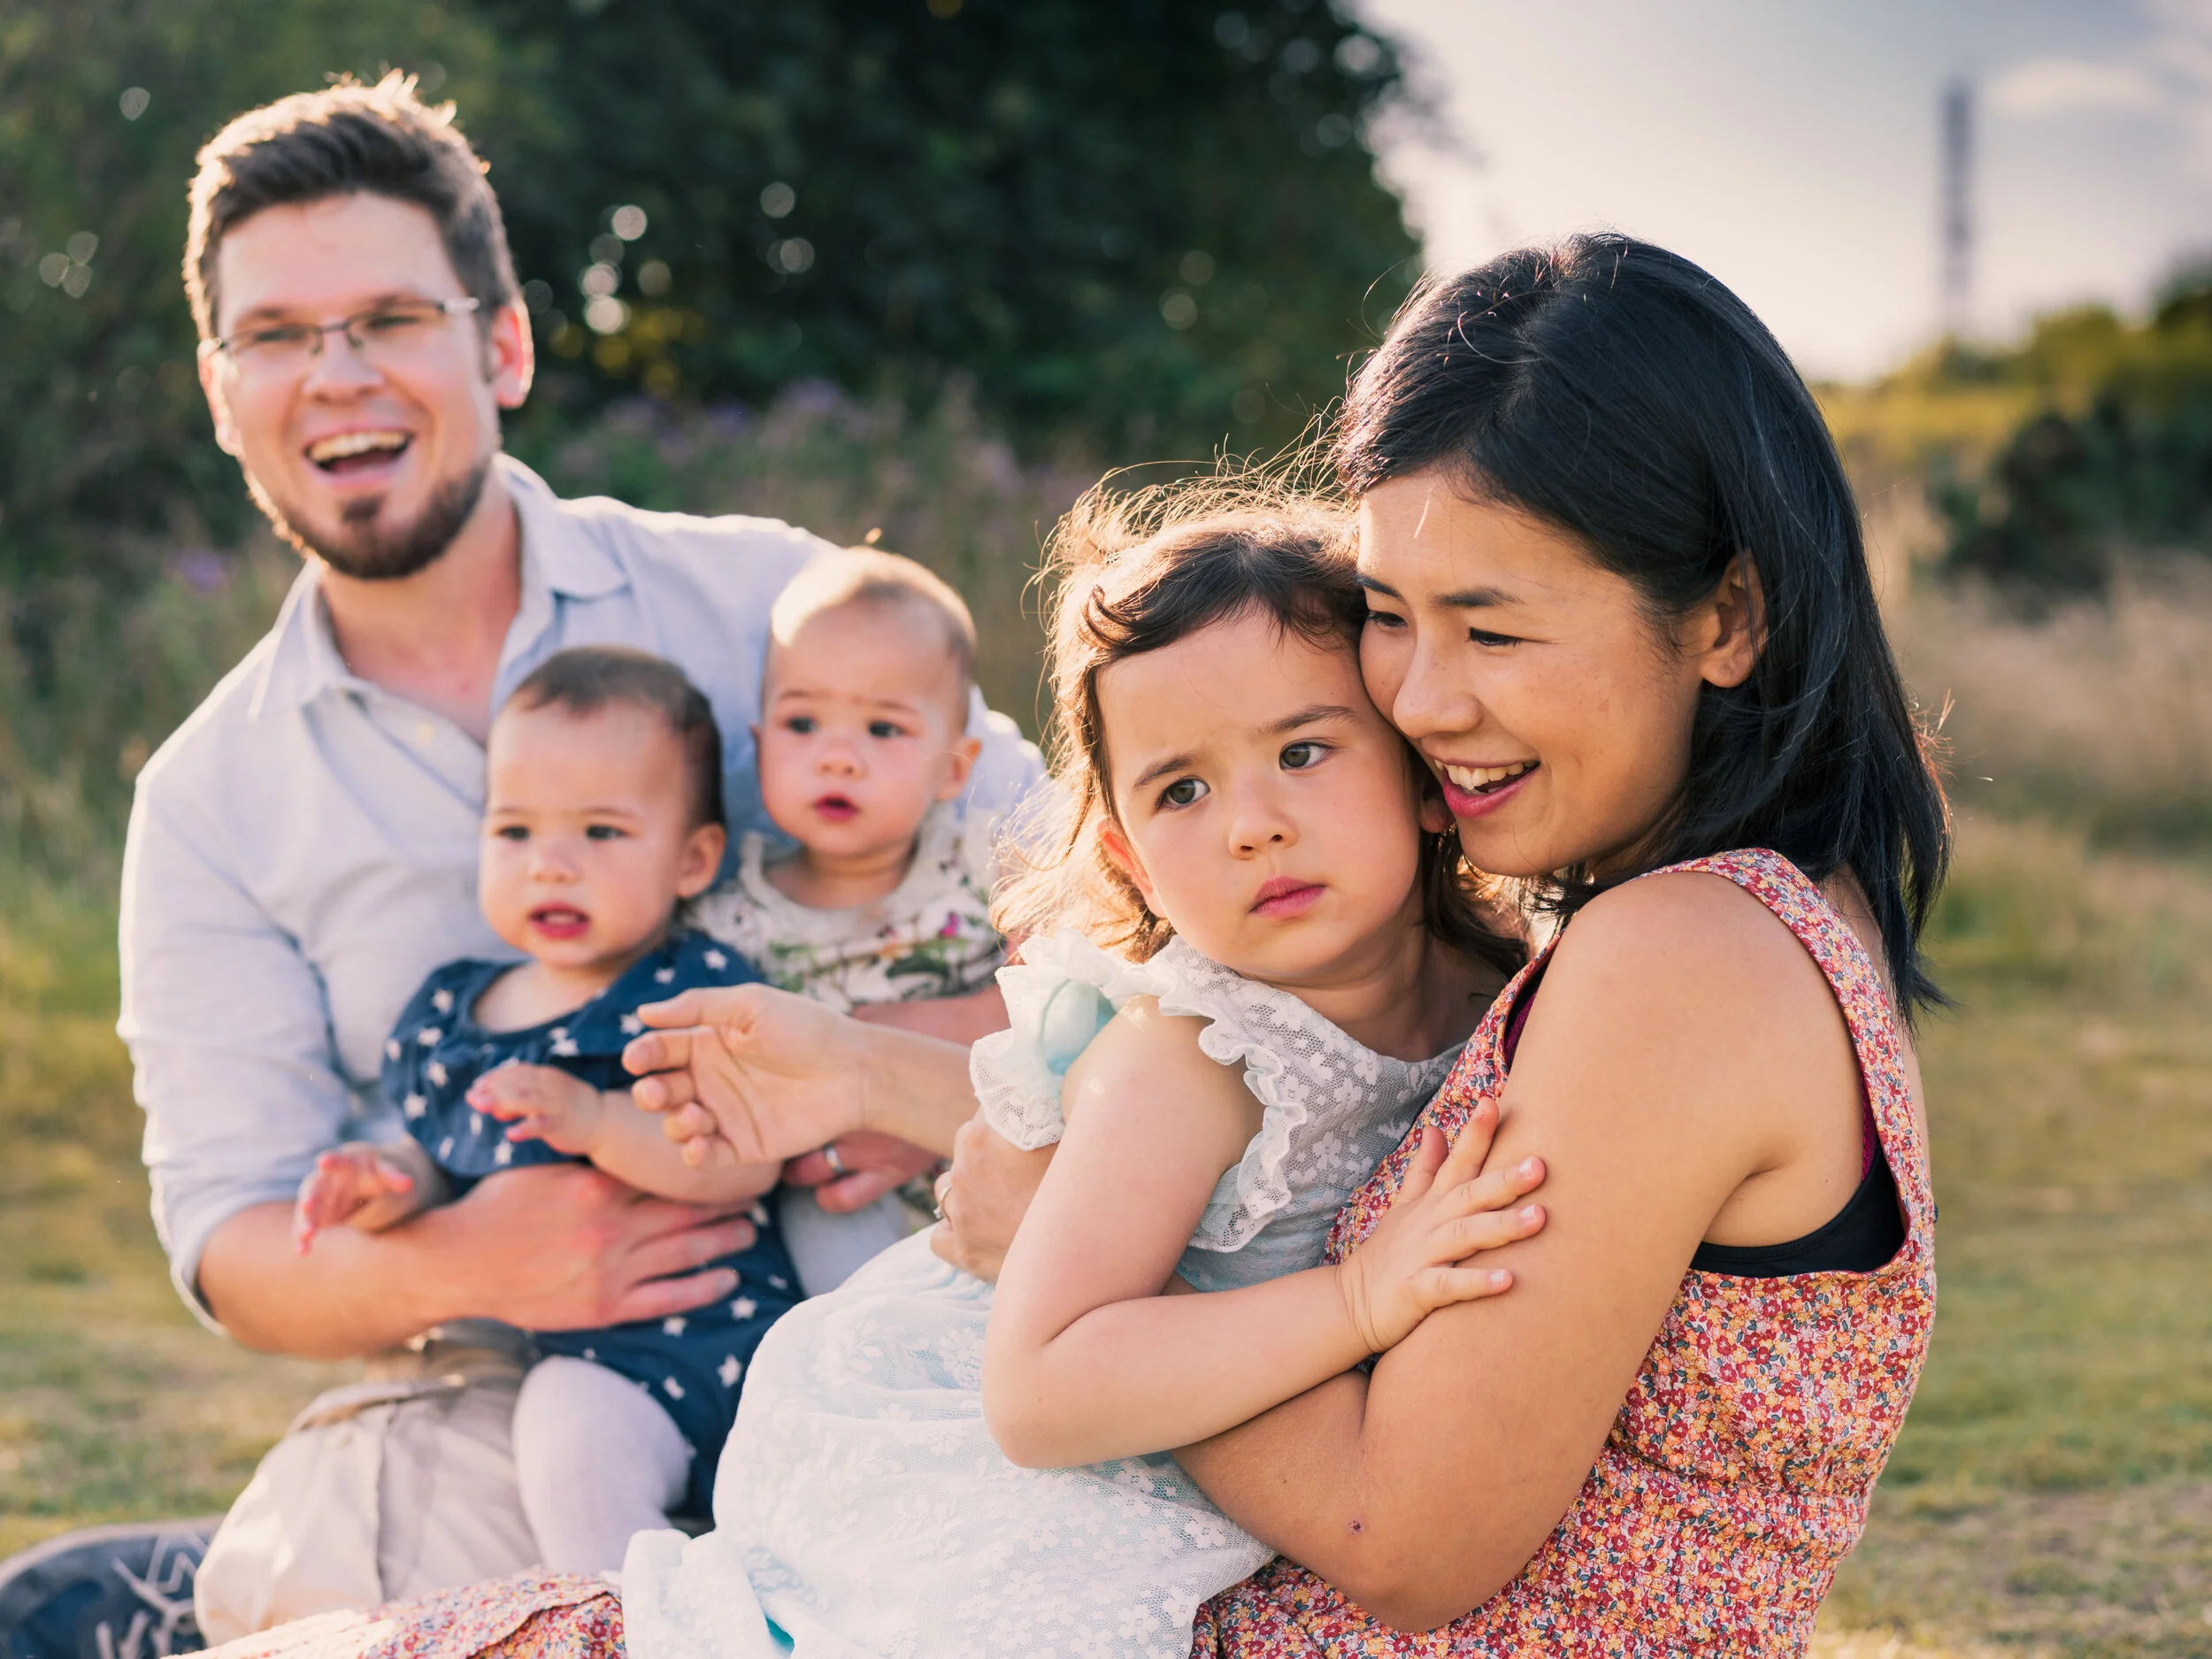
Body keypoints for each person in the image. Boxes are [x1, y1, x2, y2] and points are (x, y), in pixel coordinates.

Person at [185, 231, 1948, 1656]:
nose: (1423, 697)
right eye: (1395, 621)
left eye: (1486, 625)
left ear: (1723, 611)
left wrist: (1059, 1241)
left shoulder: (1680, 959)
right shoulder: (1669, 927)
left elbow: (1403, 1536)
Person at [0, 71, 1038, 1659]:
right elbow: (224, 1232)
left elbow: (1103, 912)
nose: (334, 377)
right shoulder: (209, 798)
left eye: (390, 318)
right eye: (277, 336)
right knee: (366, 1587)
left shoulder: (770, 606)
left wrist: (883, 1075)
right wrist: (482, 1253)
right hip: (531, 1374)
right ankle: (235, 1573)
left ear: (504, 344)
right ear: (222, 391)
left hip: (889, 1291)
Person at [618, 502, 1540, 1659]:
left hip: (1190, 1410)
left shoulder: (1508, 982)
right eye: (1182, 791)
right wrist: (1358, 1301)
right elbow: (1042, 1388)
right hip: (975, 1430)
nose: (1253, 824)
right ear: (1128, 856)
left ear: (1419, 768)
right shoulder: (1195, 1052)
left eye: (1304, 751)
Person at [291, 647, 802, 1573]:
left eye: (601, 834)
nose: (551, 867)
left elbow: (748, 1160)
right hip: (603, 1372)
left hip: (743, 1345)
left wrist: (601, 1125)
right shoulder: (455, 1015)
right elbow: (444, 1160)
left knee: (820, 1532)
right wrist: (387, 1181)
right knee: (564, 1446)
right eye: (515, 831)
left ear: (693, 860)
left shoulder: (693, 993)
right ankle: (630, 1626)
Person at [687, 546, 1005, 1012]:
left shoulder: (991, 871)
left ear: (952, 768)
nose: (837, 760)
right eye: (802, 724)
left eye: (882, 729)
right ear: (759, 749)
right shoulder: (729, 927)